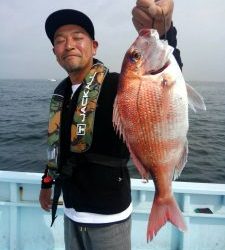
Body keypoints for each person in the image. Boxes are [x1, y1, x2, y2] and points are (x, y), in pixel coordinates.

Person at [39, 1, 182, 249]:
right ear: (54, 51)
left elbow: (163, 76)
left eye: (78, 37)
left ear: (94, 46)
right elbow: (58, 143)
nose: (69, 44)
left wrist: (165, 28)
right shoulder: (61, 93)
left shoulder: (120, 84)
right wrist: (46, 183)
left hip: (109, 217)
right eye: (60, 40)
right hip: (71, 212)